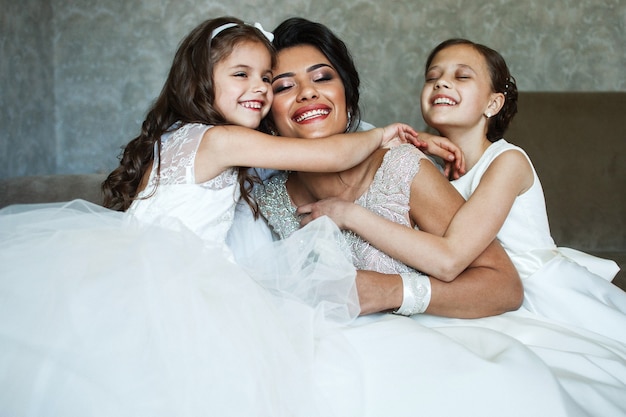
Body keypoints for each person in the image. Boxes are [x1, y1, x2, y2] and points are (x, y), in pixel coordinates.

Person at [0, 16, 426, 417]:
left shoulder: (179, 138)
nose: (258, 88)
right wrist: (384, 133)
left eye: (264, 78)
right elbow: (327, 152)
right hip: (175, 279)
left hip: (140, 269)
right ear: (201, 82)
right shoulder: (220, 141)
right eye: (241, 74)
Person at [239, 19, 626, 416]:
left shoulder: (402, 167)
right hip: (349, 356)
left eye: (322, 77)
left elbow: (503, 285)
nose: (307, 93)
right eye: (284, 86)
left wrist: (390, 289)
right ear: (266, 112)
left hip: (455, 337)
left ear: (349, 99)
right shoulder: (262, 197)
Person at [300, 38, 626, 343]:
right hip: (467, 295)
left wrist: (349, 214)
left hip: (535, 294)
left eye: (462, 76)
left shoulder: (507, 162)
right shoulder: (418, 163)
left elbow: (450, 256)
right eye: (433, 77)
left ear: (493, 103)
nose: (442, 82)